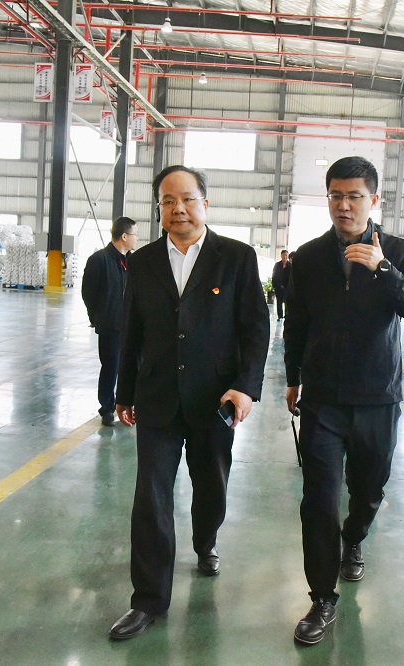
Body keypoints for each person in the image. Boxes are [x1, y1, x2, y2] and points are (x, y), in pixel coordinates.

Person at [109, 165, 271, 641]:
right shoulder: (142, 262)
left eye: (187, 199)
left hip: (214, 398)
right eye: (167, 201)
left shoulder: (236, 257)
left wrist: (246, 387)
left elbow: (255, 329)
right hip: (157, 397)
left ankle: (206, 540)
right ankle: (148, 601)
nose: (177, 208)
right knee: (151, 497)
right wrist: (124, 392)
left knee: (211, 484)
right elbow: (132, 331)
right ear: (158, 208)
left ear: (205, 203)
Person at [283, 156, 404, 645]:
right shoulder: (308, 257)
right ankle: (322, 597)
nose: (343, 205)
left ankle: (355, 538)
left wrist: (383, 268)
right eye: (335, 196)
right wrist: (293, 377)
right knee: (319, 499)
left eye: (354, 196)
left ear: (373, 200)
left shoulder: (399, 251)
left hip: (377, 397)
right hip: (322, 399)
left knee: (367, 489)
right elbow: (297, 323)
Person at [81, 216, 139, 426]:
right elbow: (88, 293)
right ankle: (107, 408)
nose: (136, 239)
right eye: (135, 235)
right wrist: (96, 317)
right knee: (111, 367)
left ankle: (131, 405)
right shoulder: (99, 260)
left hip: (133, 325)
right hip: (110, 326)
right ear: (124, 236)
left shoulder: (134, 262)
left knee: (134, 366)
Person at [272, 249, 291, 320]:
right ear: (281, 256)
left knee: (287, 302)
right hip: (278, 287)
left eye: (286, 255)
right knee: (279, 302)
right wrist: (274, 285)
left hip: (287, 287)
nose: (285, 257)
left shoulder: (290, 266)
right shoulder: (277, 265)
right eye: (283, 255)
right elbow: (274, 275)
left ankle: (287, 316)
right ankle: (280, 316)